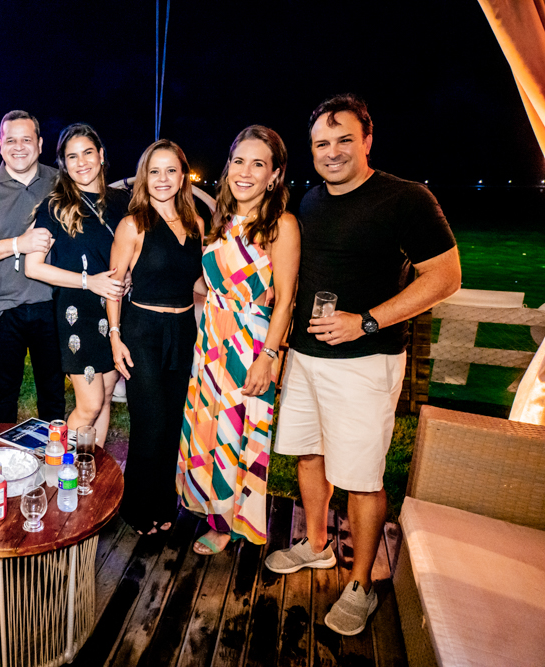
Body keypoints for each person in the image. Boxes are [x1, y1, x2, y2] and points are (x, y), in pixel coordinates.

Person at [265, 94, 460, 636]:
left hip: (365, 362)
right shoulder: (309, 201)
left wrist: (367, 321)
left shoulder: (406, 198)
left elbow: (445, 278)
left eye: (344, 139)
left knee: (362, 476)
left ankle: (361, 584)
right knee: (309, 455)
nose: (332, 152)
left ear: (368, 140)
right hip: (305, 357)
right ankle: (317, 545)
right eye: (321, 143)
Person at [177, 126, 300, 556]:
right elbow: (209, 283)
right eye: (239, 161)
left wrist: (268, 357)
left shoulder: (282, 226)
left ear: (275, 175)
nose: (245, 172)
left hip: (250, 346)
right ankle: (210, 507)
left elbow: (286, 300)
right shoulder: (221, 222)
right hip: (211, 340)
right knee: (208, 429)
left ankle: (229, 523)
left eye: (258, 164)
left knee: (237, 433)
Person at [107, 139, 204, 535]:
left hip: (182, 331)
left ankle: (164, 503)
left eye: (171, 171)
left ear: (183, 177)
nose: (163, 179)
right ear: (144, 177)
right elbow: (114, 287)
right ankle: (135, 507)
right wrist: (115, 337)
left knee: (173, 421)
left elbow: (196, 282)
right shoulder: (133, 225)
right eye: (154, 171)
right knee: (150, 423)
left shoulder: (196, 225)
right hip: (142, 331)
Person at [25, 123, 129, 446]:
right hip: (76, 314)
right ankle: (56, 465)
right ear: (63, 163)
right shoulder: (55, 206)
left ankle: (90, 469)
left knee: (107, 396)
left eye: (87, 153)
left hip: (115, 311)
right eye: (72, 156)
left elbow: (132, 250)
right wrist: (89, 281)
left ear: (101, 155)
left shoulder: (122, 202)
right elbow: (33, 267)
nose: (81, 162)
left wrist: (128, 276)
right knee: (90, 404)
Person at [0, 110, 64, 424]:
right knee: (4, 392)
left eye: (26, 140)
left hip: (52, 302)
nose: (19, 147)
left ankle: (52, 451)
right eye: (11, 140)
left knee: (53, 392)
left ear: (40, 144)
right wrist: (19, 243)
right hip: (4, 307)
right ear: (1, 145)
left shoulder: (60, 182)